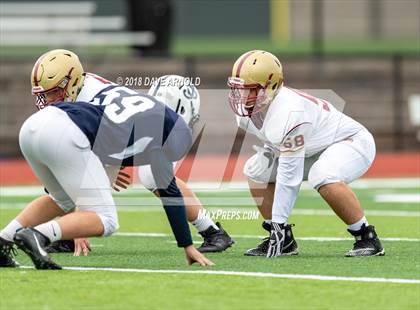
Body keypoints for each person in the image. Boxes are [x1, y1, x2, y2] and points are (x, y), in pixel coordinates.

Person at [0, 51, 214, 269]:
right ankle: (38, 235)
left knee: (60, 198)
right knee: (106, 219)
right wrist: (187, 245)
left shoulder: (131, 105)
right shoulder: (173, 133)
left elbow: (114, 137)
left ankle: (3, 240)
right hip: (66, 131)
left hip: (31, 128)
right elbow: (168, 190)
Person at [227, 50, 385, 257]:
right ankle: (285, 241)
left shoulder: (291, 113)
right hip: (311, 148)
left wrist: (279, 221)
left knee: (322, 174)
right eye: (239, 89)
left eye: (251, 90)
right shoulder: (248, 114)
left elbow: (289, 177)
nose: (242, 96)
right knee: (256, 169)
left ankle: (366, 236)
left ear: (271, 87)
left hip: (351, 142)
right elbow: (276, 143)